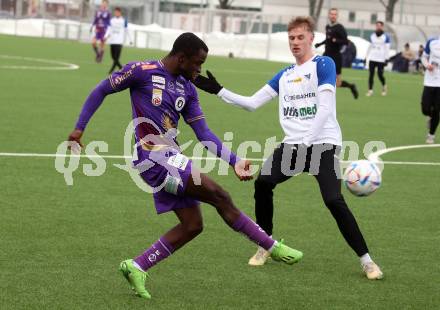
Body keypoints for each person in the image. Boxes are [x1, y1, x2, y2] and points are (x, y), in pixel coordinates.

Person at [67, 32, 303, 300]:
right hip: (153, 157)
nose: (199, 69)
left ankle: (137, 266)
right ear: (181, 58)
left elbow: (203, 133)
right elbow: (101, 89)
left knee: (192, 225)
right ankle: (271, 246)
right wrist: (78, 129)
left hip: (171, 159)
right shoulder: (141, 71)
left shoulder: (188, 89)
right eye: (197, 63)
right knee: (220, 195)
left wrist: (235, 161)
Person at [194, 17, 383, 280]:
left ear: (310, 38)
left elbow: (326, 108)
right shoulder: (284, 75)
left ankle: (367, 261)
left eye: (300, 37)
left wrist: (306, 144)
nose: (295, 42)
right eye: (291, 38)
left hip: (321, 145)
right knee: (263, 183)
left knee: (333, 200)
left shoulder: (323, 64)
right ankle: (265, 244)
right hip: (293, 146)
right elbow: (251, 104)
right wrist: (219, 90)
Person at [315, 8, 359, 99]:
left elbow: (346, 41)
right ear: (329, 15)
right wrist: (320, 44)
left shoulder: (340, 28)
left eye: (335, 14)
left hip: (336, 57)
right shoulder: (328, 26)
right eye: (331, 14)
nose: (333, 16)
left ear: (337, 16)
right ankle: (318, 96)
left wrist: (336, 40)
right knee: (318, 73)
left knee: (338, 83)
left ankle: (351, 86)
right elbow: (328, 39)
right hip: (326, 54)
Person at [420, 35, 440, 144]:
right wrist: (427, 65)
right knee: (425, 108)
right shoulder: (432, 42)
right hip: (429, 81)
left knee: (437, 110)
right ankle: (430, 116)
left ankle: (431, 135)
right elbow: (423, 57)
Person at [365, 21, 391, 97]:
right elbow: (369, 47)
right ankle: (370, 90)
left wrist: (387, 59)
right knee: (371, 74)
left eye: (380, 26)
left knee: (380, 74)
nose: (378, 27)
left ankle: (384, 86)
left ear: (382, 27)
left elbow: (387, 48)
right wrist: (366, 57)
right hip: (372, 58)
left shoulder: (386, 37)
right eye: (377, 26)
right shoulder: (372, 36)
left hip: (381, 59)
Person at [105, 7, 132, 73]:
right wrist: (105, 36)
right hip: (112, 41)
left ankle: (111, 71)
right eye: (115, 12)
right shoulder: (112, 20)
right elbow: (109, 29)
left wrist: (130, 39)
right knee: (113, 57)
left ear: (120, 12)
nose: (116, 13)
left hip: (119, 42)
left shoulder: (123, 20)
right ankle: (122, 69)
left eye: (117, 12)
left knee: (116, 58)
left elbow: (126, 30)